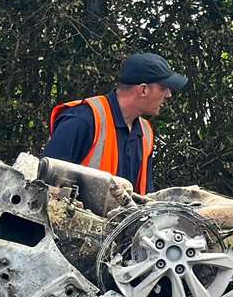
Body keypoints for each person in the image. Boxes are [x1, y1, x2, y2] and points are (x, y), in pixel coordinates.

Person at [45, 52, 188, 194]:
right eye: (163, 88)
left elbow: (144, 195)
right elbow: (44, 184)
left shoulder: (146, 134)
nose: (169, 94)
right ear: (143, 89)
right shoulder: (83, 120)